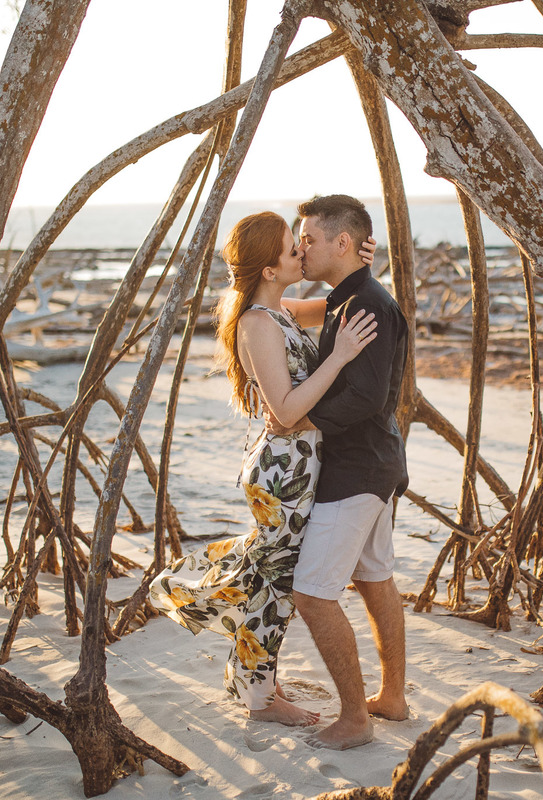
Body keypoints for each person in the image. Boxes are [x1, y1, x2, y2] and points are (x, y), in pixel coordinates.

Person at [151, 211, 378, 726]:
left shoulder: (282, 311)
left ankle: (253, 679)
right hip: (283, 473)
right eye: (293, 249)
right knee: (277, 584)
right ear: (271, 270)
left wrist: (361, 263)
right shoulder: (257, 324)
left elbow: (339, 302)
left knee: (271, 576)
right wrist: (339, 357)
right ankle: (262, 699)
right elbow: (287, 411)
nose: (303, 252)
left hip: (294, 466)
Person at [285, 194, 411, 750]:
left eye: (308, 239)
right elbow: (284, 307)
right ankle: (393, 698)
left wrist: (300, 419)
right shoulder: (349, 296)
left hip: (356, 469)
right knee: (373, 578)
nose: (300, 249)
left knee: (312, 595)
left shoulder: (366, 305)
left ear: (342, 242)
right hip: (375, 463)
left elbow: (366, 395)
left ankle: (356, 718)